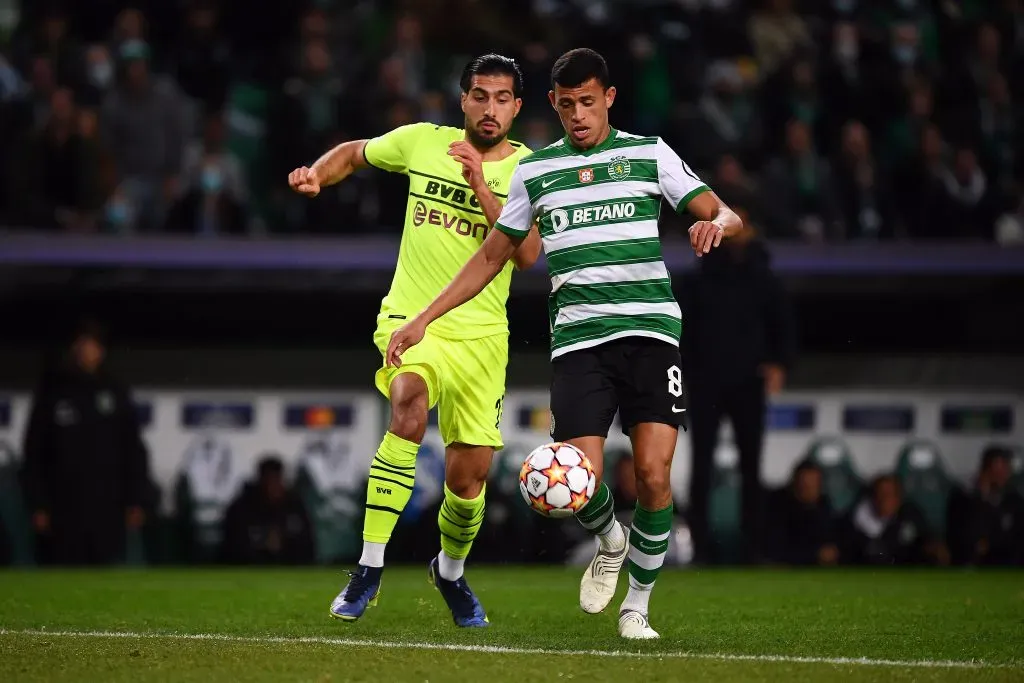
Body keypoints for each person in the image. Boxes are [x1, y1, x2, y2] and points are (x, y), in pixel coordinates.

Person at [386, 48, 742, 640]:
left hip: (651, 333)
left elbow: (724, 211)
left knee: (654, 476)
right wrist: (423, 317)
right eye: (567, 104)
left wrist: (715, 223)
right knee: (574, 482)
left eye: (588, 101)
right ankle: (609, 539)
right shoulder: (536, 172)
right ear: (553, 105)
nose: (578, 114)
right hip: (579, 342)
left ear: (609, 98)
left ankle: (638, 607)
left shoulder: (650, 153)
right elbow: (493, 256)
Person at [287, 54, 541, 628]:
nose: (490, 107)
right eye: (480, 95)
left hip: (482, 338)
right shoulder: (423, 142)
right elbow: (355, 152)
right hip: (410, 319)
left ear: (517, 107)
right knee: (407, 407)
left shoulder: (530, 169)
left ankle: (449, 572)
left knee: (468, 479)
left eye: (502, 98)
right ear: (464, 100)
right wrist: (316, 175)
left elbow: (527, 256)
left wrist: (479, 182)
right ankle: (368, 568)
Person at [678, 217, 796, 564]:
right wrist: (681, 367)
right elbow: (679, 325)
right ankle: (699, 547)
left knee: (751, 466)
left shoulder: (764, 277)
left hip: (748, 382)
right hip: (705, 381)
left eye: (741, 224)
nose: (736, 233)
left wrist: (780, 363)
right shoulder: (698, 277)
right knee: (701, 467)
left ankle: (752, 548)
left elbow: (784, 325)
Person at [21, 318, 150, 565]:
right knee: (60, 567)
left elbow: (133, 449)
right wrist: (37, 504)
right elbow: (34, 452)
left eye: (92, 345)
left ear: (101, 350)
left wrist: (136, 499)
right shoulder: (53, 391)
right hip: (62, 503)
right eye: (81, 344)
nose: (86, 351)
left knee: (105, 567)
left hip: (107, 503)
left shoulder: (115, 391)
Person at [222, 455, 315, 565]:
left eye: (277, 479)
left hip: (290, 569)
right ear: (260, 480)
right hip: (251, 569)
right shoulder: (241, 508)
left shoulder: (295, 506)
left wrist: (284, 543)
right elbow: (233, 548)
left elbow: (307, 545)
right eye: (269, 480)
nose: (273, 486)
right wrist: (263, 544)